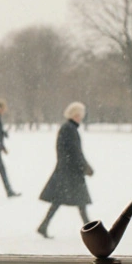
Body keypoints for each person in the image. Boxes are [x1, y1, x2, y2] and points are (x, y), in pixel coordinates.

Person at [37, 101, 94, 238]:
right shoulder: (69, 129)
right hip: (70, 171)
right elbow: (75, 152)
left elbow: (71, 151)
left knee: (62, 200)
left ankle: (43, 226)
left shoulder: (68, 128)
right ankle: (91, 232)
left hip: (67, 170)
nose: (81, 117)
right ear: (75, 114)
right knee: (79, 201)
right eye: (80, 114)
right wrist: (85, 166)